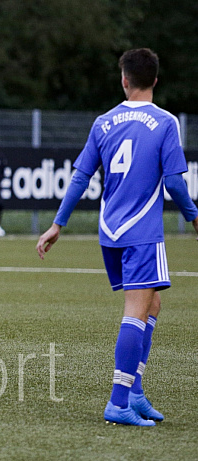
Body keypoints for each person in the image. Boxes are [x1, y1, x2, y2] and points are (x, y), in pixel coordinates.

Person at [36, 48, 198, 426]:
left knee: (151, 306)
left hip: (110, 232)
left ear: (124, 80)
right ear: (155, 80)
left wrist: (58, 224)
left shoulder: (103, 122)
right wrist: (193, 218)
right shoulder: (165, 122)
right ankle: (118, 402)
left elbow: (80, 176)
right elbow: (174, 181)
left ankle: (136, 392)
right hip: (142, 232)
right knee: (137, 311)